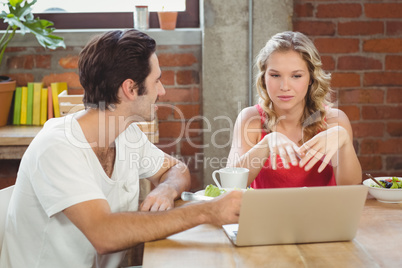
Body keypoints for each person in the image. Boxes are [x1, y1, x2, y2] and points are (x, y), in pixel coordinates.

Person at [0, 29, 242, 268]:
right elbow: (104, 234)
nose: (162, 91)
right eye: (156, 81)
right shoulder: (57, 147)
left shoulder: (126, 133)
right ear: (130, 88)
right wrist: (205, 211)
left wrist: (166, 189)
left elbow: (176, 169)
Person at [227, 31, 362, 188]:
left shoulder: (335, 121)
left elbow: (350, 187)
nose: (285, 87)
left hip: (324, 212)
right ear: (264, 77)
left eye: (296, 76)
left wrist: (344, 141)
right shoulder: (250, 119)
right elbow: (230, 185)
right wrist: (265, 144)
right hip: (266, 212)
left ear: (311, 78)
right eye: (275, 75)